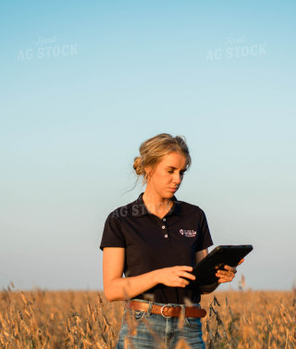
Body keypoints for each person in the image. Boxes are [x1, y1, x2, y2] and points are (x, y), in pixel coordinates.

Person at [100, 133, 242, 348]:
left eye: (182, 172)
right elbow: (112, 290)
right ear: (149, 168)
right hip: (141, 330)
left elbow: (201, 285)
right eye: (170, 171)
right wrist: (159, 276)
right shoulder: (120, 219)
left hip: (189, 329)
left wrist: (218, 276)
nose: (177, 179)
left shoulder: (195, 216)